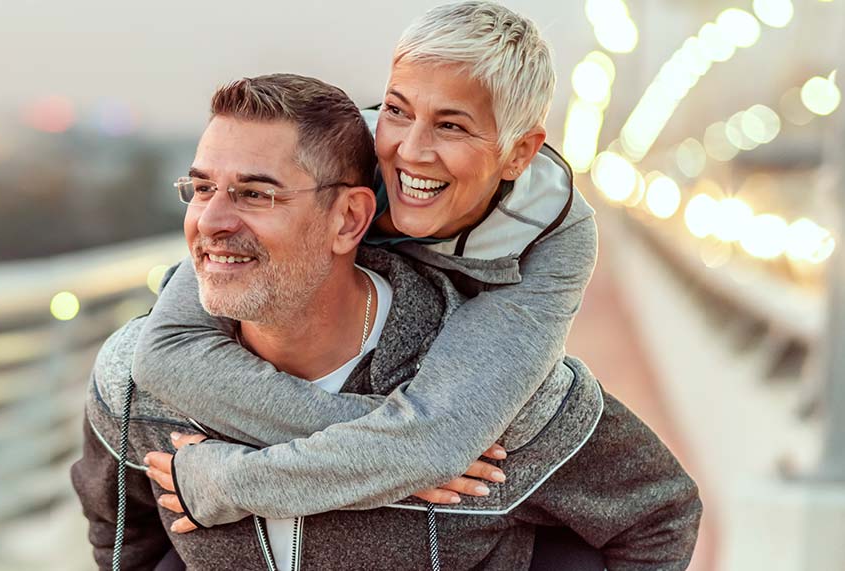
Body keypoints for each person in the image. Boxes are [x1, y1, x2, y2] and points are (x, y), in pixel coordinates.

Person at [68, 73, 700, 570]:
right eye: (202, 189)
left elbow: (657, 515)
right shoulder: (134, 387)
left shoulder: (501, 402)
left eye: (256, 194)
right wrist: (408, 456)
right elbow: (125, 542)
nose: (211, 222)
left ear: (349, 219)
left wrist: (424, 445)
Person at [133, 0, 613, 550]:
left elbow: (436, 442)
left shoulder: (554, 237)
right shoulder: (340, 159)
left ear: (519, 153)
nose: (409, 151)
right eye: (397, 110)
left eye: (451, 125)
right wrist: (395, 452)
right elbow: (167, 350)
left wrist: (227, 481)